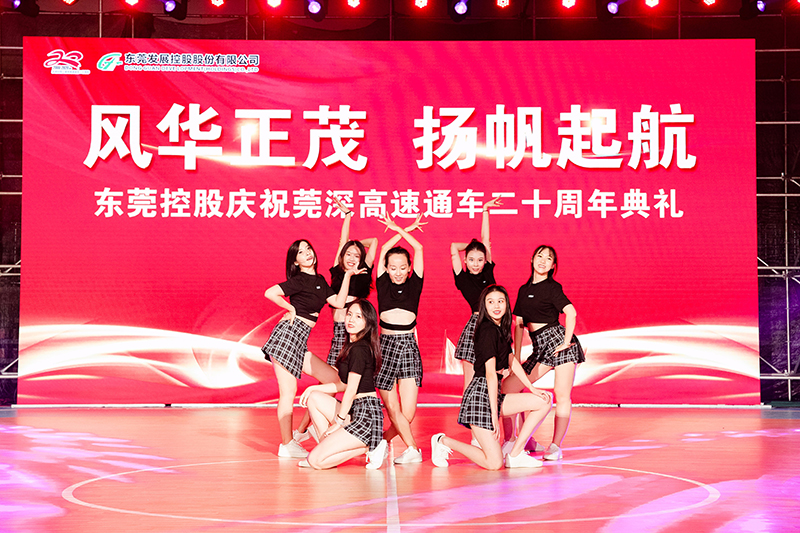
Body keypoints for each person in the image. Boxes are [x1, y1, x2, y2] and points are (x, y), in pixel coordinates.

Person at [431, 285, 552, 470]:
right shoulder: (487, 330)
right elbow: (490, 374)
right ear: (484, 306)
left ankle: (516, 454)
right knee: (494, 464)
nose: (496, 306)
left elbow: (512, 361)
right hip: (479, 397)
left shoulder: (500, 329)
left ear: (506, 304)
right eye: (491, 302)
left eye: (500, 301)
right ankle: (443, 441)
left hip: (492, 395)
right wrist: (494, 416)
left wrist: (532, 388)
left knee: (544, 400)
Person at [262, 239, 360, 459]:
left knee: (333, 378)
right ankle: (287, 444)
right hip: (287, 336)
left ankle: (312, 425)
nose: (307, 253)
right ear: (295, 261)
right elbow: (270, 293)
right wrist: (290, 308)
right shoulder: (299, 280)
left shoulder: (319, 280)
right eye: (300, 252)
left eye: (308, 249)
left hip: (299, 340)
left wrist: (347, 275)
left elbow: (338, 302)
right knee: (288, 393)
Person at [293, 198, 377, 444]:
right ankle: (304, 430)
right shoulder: (336, 271)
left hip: (358, 335)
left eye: (356, 255)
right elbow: (343, 242)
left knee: (351, 383)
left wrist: (358, 247)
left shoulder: (364, 270)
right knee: (329, 382)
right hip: (339, 333)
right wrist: (348, 216)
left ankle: (341, 426)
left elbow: (374, 242)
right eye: (348, 254)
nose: (352, 257)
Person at [501, 245, 585, 461]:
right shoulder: (523, 289)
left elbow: (571, 313)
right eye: (540, 256)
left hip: (558, 343)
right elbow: (519, 324)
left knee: (562, 394)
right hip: (540, 348)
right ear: (532, 259)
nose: (543, 261)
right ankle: (517, 440)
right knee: (508, 387)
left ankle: (555, 446)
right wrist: (516, 357)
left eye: (548, 258)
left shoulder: (553, 287)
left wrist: (566, 342)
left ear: (553, 266)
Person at [299, 300, 387, 470]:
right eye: (349, 314)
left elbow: (351, 390)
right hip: (356, 410)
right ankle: (325, 452)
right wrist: (313, 388)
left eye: (358, 316)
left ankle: (369, 447)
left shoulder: (360, 349)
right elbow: (343, 385)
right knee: (314, 398)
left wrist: (338, 423)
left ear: (368, 322)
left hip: (366, 415)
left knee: (315, 461)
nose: (351, 319)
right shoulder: (352, 346)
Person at [375, 213, 426, 464]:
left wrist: (403, 230)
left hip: (408, 346)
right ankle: (412, 449)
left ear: (409, 268)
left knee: (408, 412)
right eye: (393, 268)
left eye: (403, 267)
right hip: (384, 346)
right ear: (386, 268)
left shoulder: (415, 284)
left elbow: (419, 248)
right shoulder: (382, 282)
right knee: (392, 408)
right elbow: (384, 248)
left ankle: (381, 442)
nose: (398, 272)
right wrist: (397, 230)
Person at [451, 197, 502, 392]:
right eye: (471, 259)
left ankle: (495, 408)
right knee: (471, 378)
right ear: (465, 260)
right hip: (476, 325)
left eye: (480, 259)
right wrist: (473, 246)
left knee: (496, 374)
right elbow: (453, 247)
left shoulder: (488, 271)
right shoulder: (462, 278)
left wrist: (485, 210)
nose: (476, 263)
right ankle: (468, 408)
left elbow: (485, 239)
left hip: (496, 323)